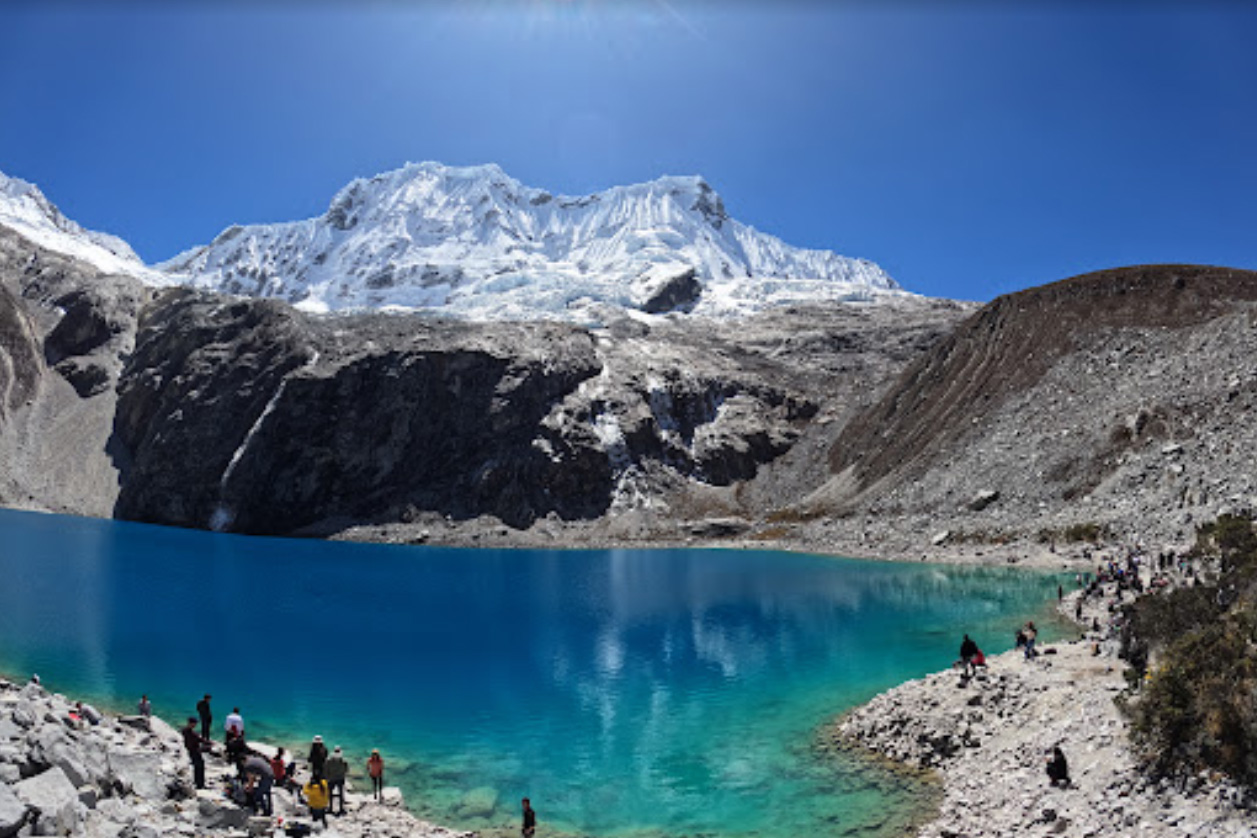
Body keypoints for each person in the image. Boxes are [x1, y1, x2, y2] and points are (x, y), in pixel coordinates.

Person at [182, 717, 207, 789]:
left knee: (197, 766)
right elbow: (198, 739)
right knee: (200, 766)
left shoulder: (185, 730)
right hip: (194, 750)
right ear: (191, 723)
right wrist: (208, 742)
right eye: (194, 723)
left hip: (191, 750)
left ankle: (198, 782)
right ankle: (200, 784)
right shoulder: (190, 732)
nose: (195, 725)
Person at [324, 746, 348, 815]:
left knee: (330, 794)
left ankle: (330, 808)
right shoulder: (343, 760)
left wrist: (327, 777)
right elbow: (346, 770)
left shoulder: (329, 760)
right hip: (340, 779)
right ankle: (341, 808)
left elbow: (326, 769)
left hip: (331, 779)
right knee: (341, 794)